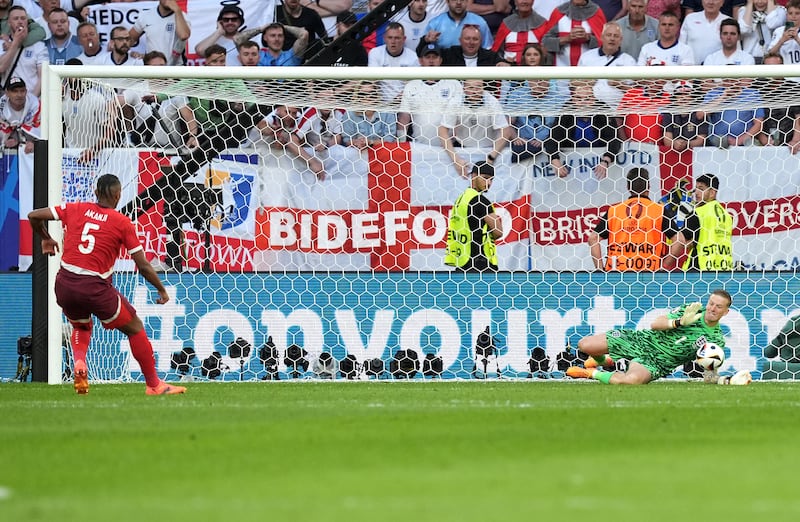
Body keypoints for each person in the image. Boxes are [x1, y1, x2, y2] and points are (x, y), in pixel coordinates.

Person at [27, 174, 186, 395]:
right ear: (118, 195)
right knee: (135, 328)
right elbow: (143, 265)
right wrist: (161, 289)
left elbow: (33, 216)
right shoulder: (122, 223)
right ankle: (154, 385)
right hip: (95, 288)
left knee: (81, 325)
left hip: (65, 284)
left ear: (95, 193)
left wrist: (45, 237)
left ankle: (80, 362)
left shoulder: (74, 208)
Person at [566, 289, 750, 385]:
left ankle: (590, 373)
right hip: (642, 340)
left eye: (718, 306)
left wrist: (725, 380)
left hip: (657, 363)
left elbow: (709, 375)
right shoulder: (691, 310)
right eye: (711, 303)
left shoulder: (716, 341)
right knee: (585, 345)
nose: (712, 308)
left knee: (629, 382)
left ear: (726, 312)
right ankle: (605, 361)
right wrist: (679, 322)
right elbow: (656, 324)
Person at [588, 167, 676, 271]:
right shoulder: (659, 210)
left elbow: (593, 238)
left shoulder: (614, 211)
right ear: (648, 186)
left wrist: (599, 270)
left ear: (628, 187)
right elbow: (680, 240)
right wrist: (663, 267)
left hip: (617, 274)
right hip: (649, 273)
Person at [438, 79, 512, 177]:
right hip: (463, 150)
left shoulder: (492, 101)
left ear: (483, 87)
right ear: (464, 89)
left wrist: (490, 159)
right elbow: (442, 131)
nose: (475, 91)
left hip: (489, 151)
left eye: (478, 87)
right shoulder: (455, 102)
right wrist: (456, 160)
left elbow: (506, 132)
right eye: (471, 87)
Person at [444, 161, 503, 272]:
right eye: (485, 178)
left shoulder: (461, 199)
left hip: (462, 261)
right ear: (474, 176)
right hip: (480, 263)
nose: (489, 183)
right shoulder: (481, 201)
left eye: (491, 179)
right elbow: (498, 231)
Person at [668, 173, 734, 271]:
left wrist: (666, 264)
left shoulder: (698, 213)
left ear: (712, 193)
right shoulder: (727, 216)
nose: (697, 193)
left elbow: (680, 241)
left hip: (700, 270)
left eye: (701, 189)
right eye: (696, 189)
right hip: (724, 270)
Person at [577, 21, 636, 109]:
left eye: (616, 36)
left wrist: (620, 85)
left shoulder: (629, 61)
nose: (612, 39)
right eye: (609, 35)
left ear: (621, 40)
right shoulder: (587, 57)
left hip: (618, 112)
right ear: (602, 37)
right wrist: (586, 82)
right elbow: (574, 85)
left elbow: (635, 92)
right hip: (589, 111)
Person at [542, 0, 607, 67]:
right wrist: (566, 39)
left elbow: (605, 44)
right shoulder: (559, 12)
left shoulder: (596, 13)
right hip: (560, 70)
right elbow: (544, 43)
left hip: (588, 70)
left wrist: (588, 38)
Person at [0, 6, 48, 97]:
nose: (20, 21)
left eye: (23, 18)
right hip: (6, 100)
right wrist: (15, 43)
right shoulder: (2, 44)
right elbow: (1, 67)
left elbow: (43, 76)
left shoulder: (39, 46)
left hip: (32, 97)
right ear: (9, 23)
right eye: (15, 19)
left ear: (27, 21)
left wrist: (32, 99)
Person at [129, 0, 191, 66]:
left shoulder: (181, 16)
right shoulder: (146, 15)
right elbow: (129, 39)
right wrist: (131, 52)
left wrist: (177, 10)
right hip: (152, 67)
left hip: (176, 68)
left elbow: (184, 35)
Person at [423, 0, 494, 49]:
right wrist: (427, 41)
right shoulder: (435, 23)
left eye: (462, 0)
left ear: (467, 1)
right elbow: (424, 50)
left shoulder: (480, 22)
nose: (458, 2)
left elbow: (487, 49)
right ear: (447, 2)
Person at [661, 81, 709, 152]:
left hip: (696, 155)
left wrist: (686, 144)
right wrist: (675, 143)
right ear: (675, 97)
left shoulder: (699, 114)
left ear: (693, 97)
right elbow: (667, 141)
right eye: (679, 94)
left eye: (687, 94)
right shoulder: (669, 114)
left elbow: (701, 141)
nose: (683, 98)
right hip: (672, 154)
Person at [0, 76, 40, 153]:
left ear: (26, 91)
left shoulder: (36, 105)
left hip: (33, 153)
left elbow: (41, 130)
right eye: (15, 91)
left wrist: (34, 142)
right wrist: (7, 139)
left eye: (22, 91)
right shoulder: (1, 107)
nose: (19, 95)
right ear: (7, 93)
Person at [441, 24, 506, 66]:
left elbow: (505, 65)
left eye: (475, 39)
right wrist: (430, 41)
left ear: (480, 41)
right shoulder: (449, 54)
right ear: (460, 41)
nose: (471, 42)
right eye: (467, 38)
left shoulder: (491, 57)